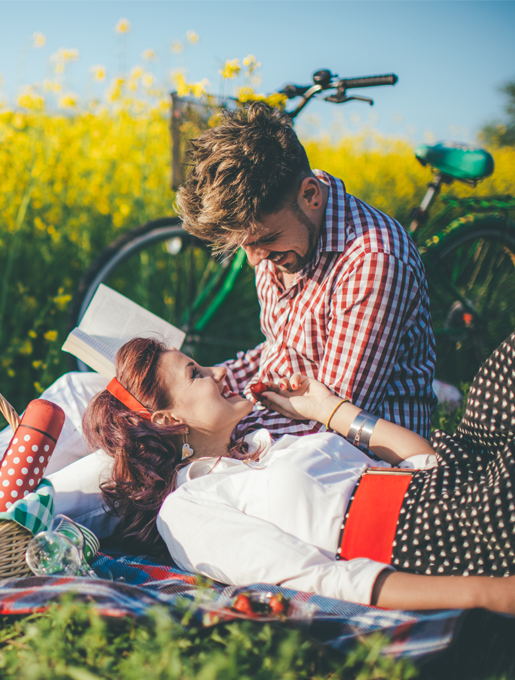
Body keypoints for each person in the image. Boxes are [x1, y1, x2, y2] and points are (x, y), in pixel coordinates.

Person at [81, 334, 514, 613]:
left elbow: (424, 465)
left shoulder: (259, 445)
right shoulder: (187, 508)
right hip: (434, 537)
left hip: (454, 480)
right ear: (166, 419)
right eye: (197, 373)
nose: (220, 371)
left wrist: (329, 410)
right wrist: (486, 594)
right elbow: (318, 582)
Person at [175, 102, 437, 439]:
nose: (255, 261)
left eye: (265, 240)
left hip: (358, 459)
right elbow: (281, 348)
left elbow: (334, 420)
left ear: (310, 195)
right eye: (243, 245)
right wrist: (208, 383)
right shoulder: (282, 238)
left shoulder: (372, 262)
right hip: (285, 429)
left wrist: (206, 432)